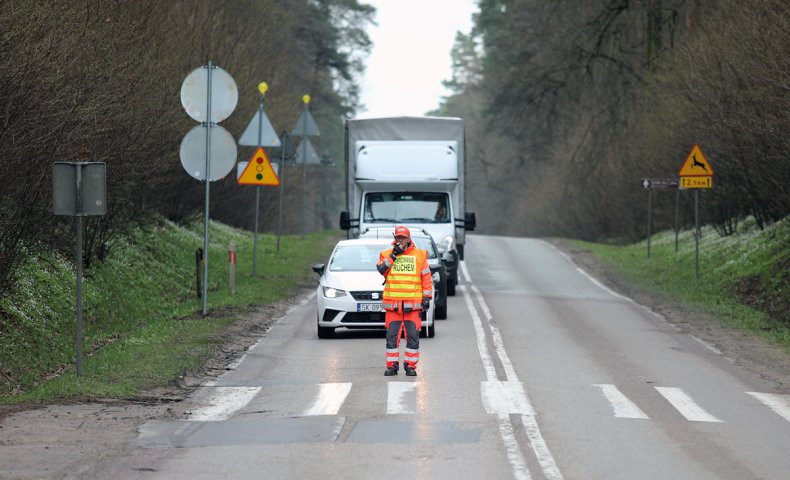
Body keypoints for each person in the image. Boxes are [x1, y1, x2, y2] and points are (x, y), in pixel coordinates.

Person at [376, 226, 432, 376]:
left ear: (409, 239)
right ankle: (392, 366)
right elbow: (381, 270)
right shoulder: (387, 254)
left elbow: (426, 278)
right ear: (395, 238)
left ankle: (410, 366)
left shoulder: (419, 255)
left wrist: (427, 297)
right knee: (392, 338)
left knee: (413, 337)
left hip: (412, 306)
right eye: (398, 237)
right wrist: (394, 256)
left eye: (403, 237)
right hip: (393, 306)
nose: (400, 240)